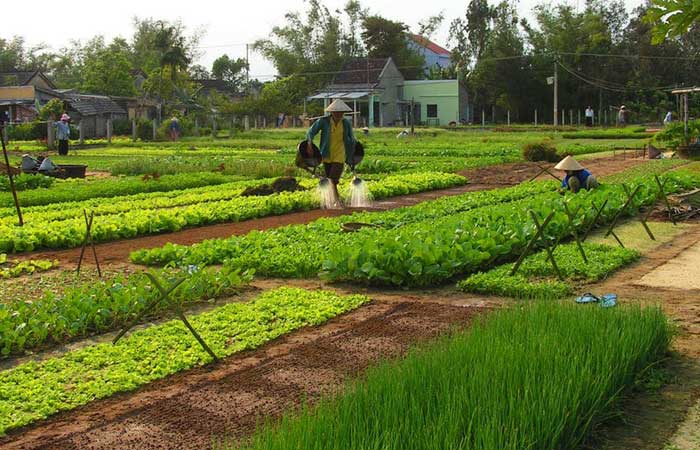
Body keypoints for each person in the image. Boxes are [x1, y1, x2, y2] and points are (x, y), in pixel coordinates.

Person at [306, 99, 356, 207]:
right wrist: (309, 142)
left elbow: (351, 138)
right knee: (330, 179)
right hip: (326, 154)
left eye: (341, 112)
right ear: (331, 112)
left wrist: (353, 153)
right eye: (336, 112)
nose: (338, 114)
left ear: (343, 113)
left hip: (340, 153)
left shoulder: (346, 123)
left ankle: (336, 201)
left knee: (333, 178)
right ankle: (332, 201)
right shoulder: (323, 121)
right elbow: (311, 131)